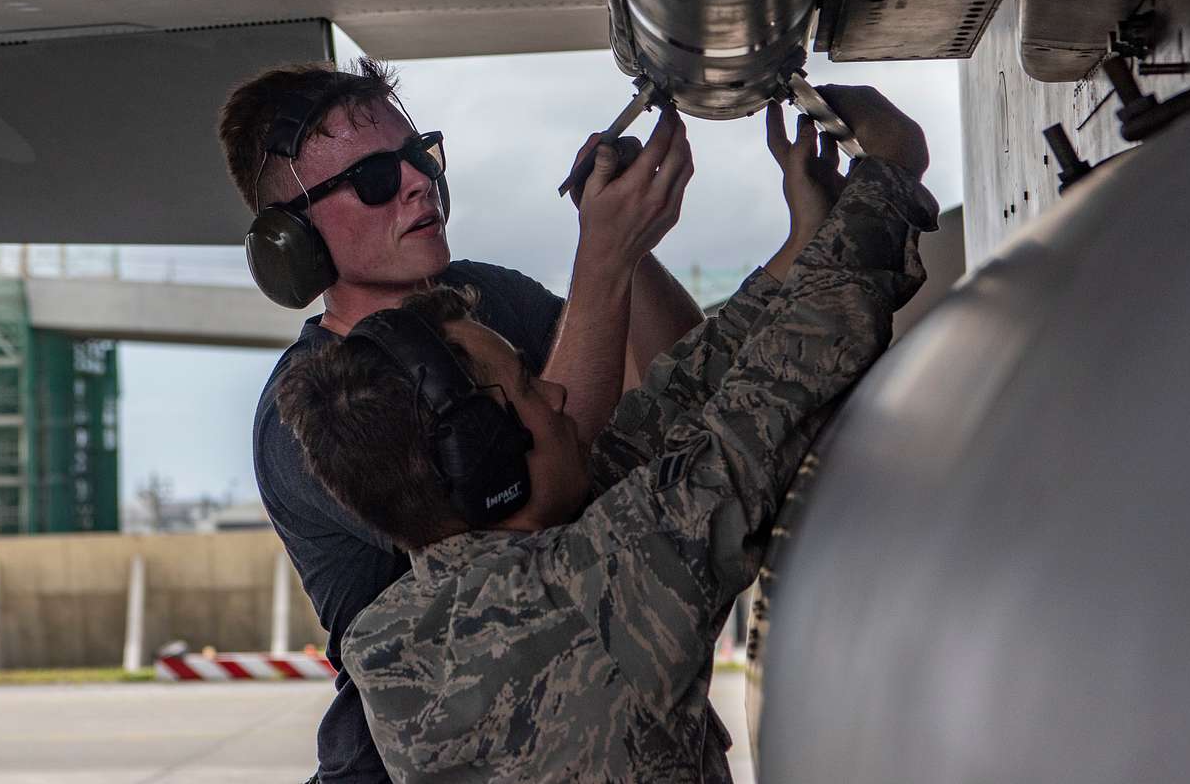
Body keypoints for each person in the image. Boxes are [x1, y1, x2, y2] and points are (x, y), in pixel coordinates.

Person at [275, 86, 940, 782]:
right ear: (484, 458)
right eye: (530, 389)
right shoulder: (601, 587)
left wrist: (805, 239)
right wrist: (893, 168)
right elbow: (785, 381)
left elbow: (675, 398)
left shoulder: (390, 642)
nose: (559, 392)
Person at [216, 58, 704, 784]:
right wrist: (599, 264)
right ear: (294, 241)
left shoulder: (485, 297)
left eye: (419, 156)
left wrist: (630, 256)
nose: (418, 183)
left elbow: (672, 387)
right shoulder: (310, 407)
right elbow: (519, 496)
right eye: (376, 179)